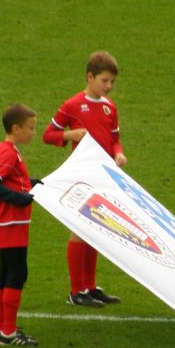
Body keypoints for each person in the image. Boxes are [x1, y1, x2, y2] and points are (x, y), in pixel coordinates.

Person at [42, 51, 125, 308]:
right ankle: (76, 292)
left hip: (102, 176)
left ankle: (90, 287)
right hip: (81, 176)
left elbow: (114, 139)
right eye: (104, 80)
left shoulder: (110, 107)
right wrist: (70, 135)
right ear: (90, 77)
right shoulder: (72, 105)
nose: (108, 86)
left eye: (112, 82)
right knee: (79, 230)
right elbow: (48, 135)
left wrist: (119, 154)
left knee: (95, 229)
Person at [0, 103, 42, 346]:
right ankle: (8, 333)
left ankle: (3, 329)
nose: (34, 133)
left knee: (6, 272)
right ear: (16, 129)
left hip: (9, 223)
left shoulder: (9, 149)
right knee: (17, 274)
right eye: (31, 128)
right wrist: (21, 198)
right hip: (12, 222)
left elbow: (12, 179)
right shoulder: (8, 152)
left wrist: (32, 183)